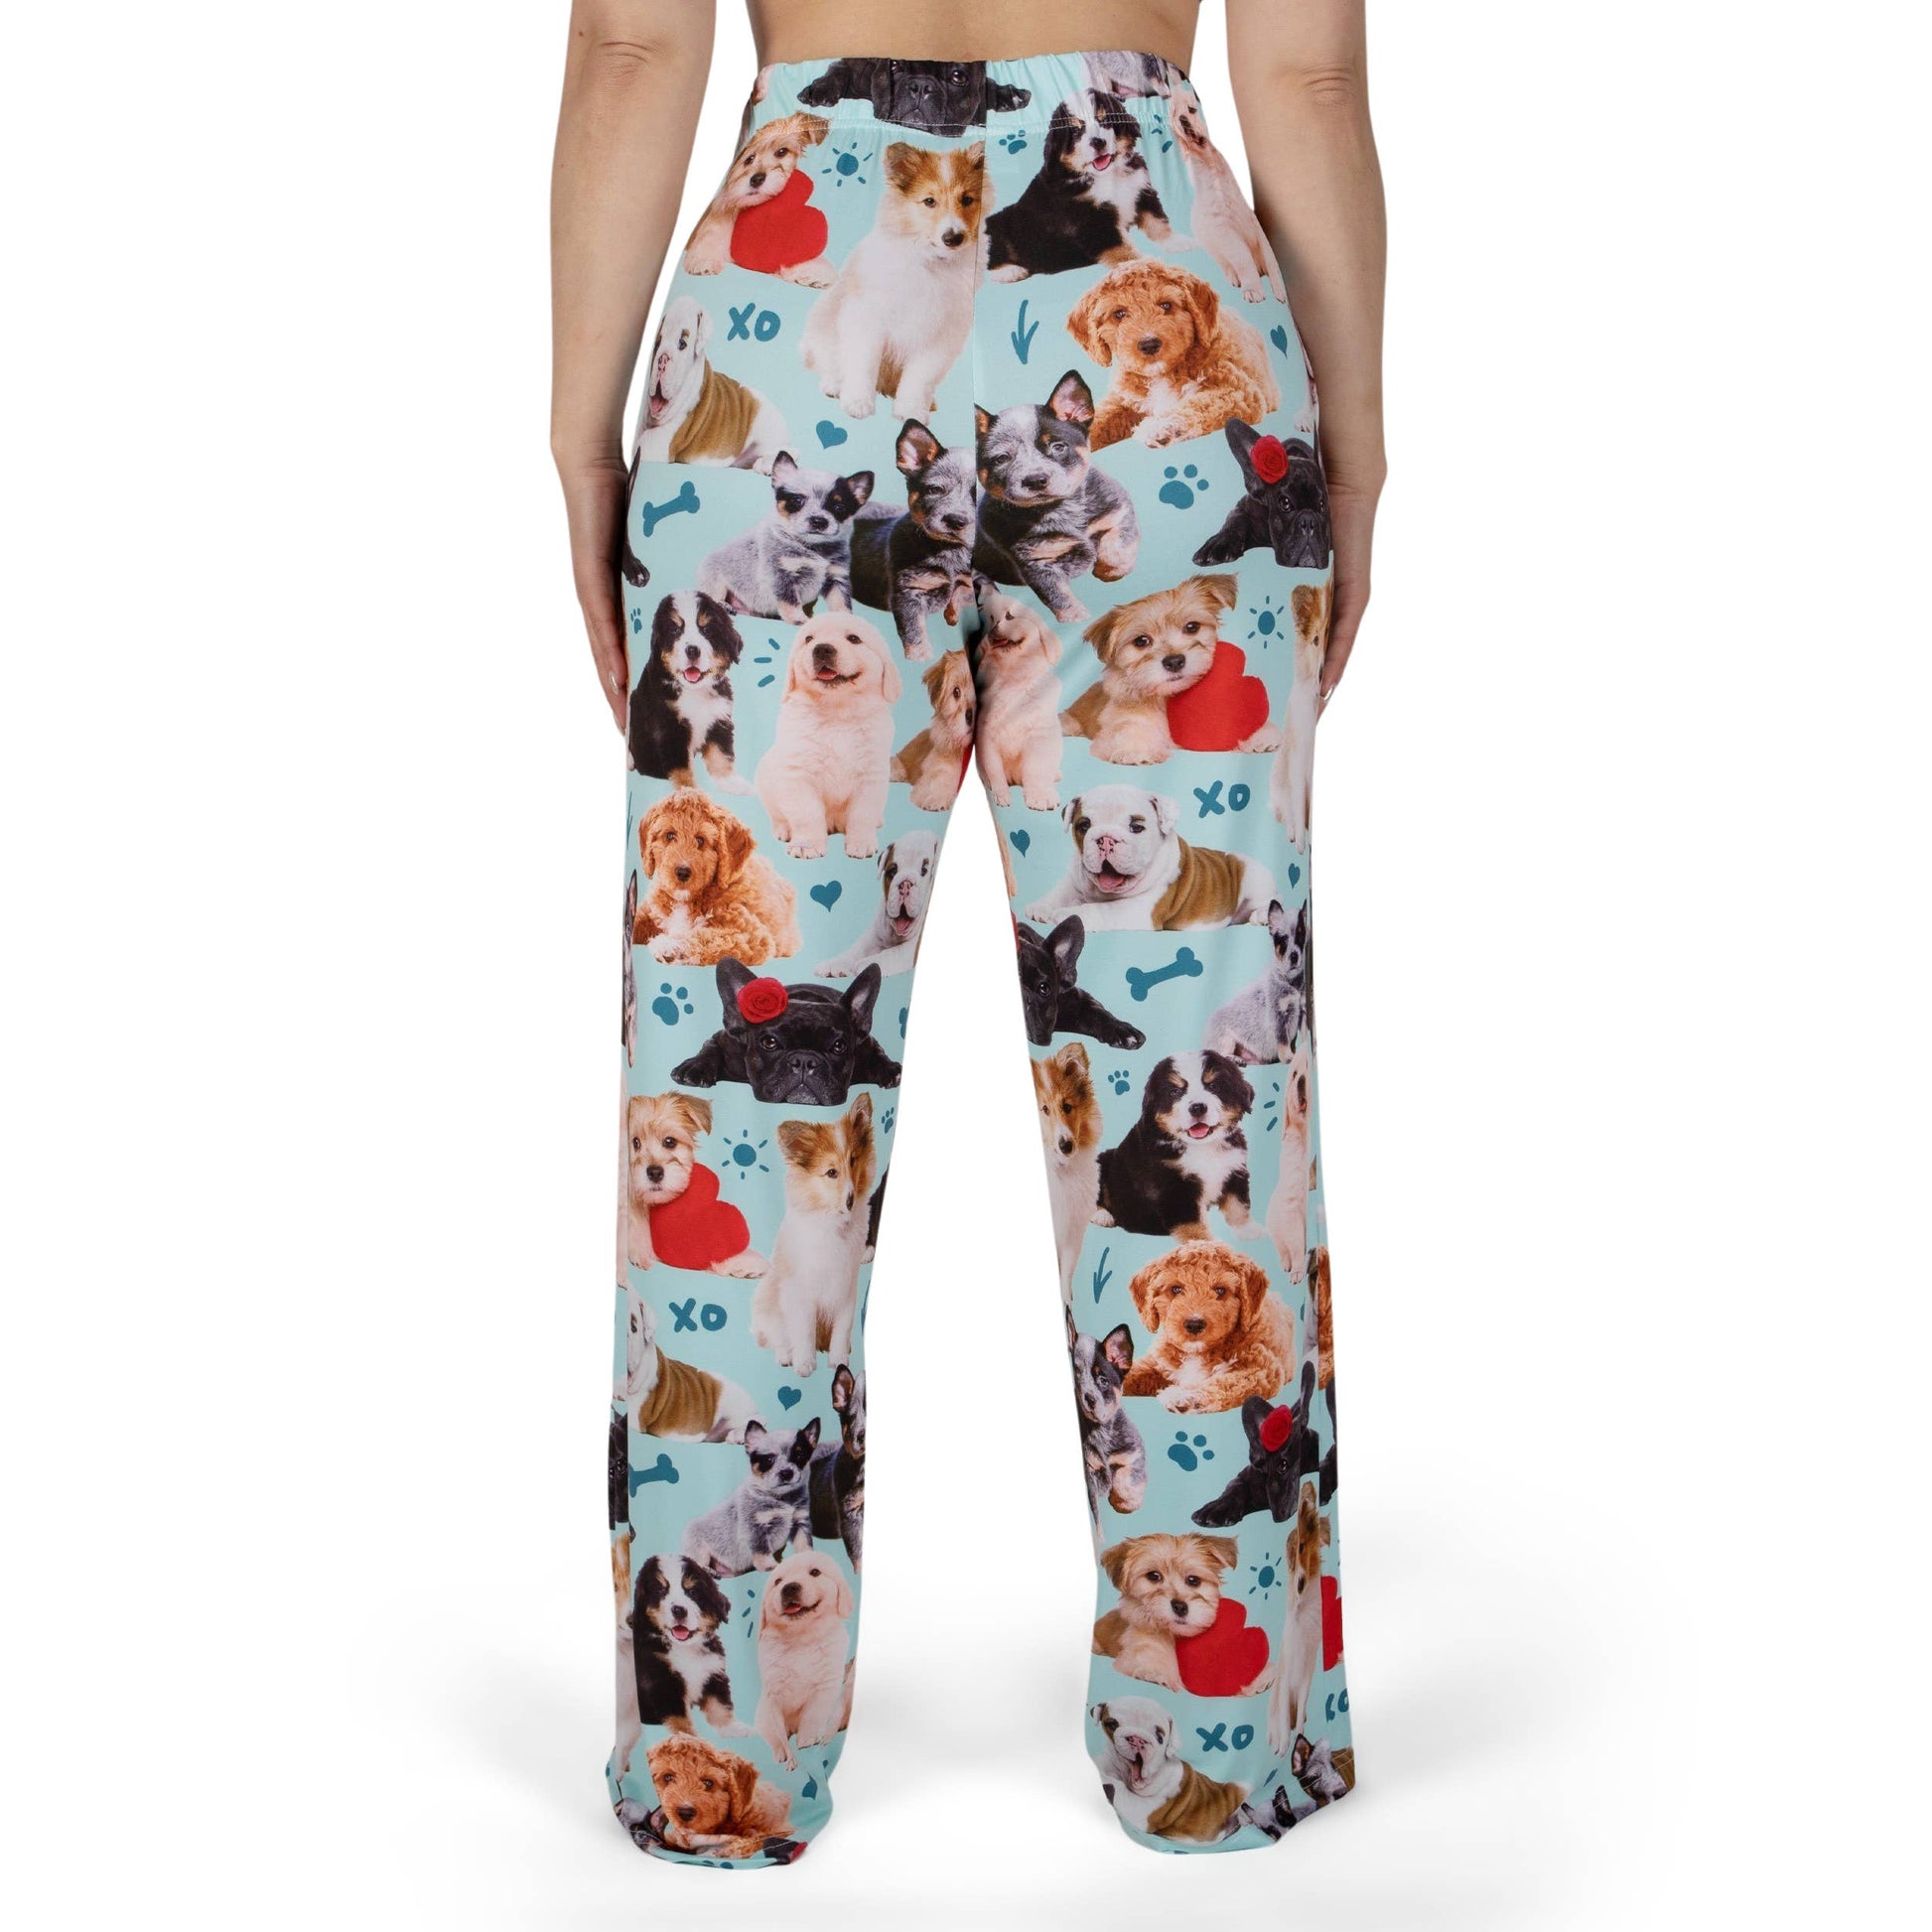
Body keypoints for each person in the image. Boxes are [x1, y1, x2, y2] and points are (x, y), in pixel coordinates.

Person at [552, 0, 1384, 1863]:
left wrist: (584, 436)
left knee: (736, 1084)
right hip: (1158, 334)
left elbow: (631, 50)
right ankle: (1221, 1749)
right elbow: (1309, 76)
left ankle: (716, 1765)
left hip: (792, 339)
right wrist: (1353, 432)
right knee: (1205, 1051)